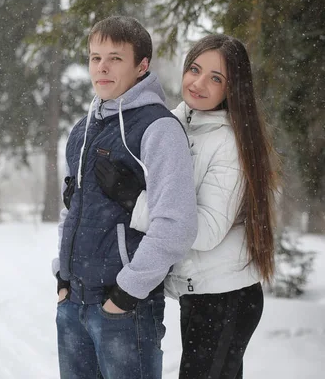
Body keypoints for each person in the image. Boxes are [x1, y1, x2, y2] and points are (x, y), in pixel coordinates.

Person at [101, 34, 278, 378]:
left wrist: (132, 201)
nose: (198, 83)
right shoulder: (172, 123)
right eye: (194, 69)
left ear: (232, 89)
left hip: (226, 296)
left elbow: (207, 230)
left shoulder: (229, 142)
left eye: (216, 78)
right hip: (199, 294)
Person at [52, 16, 198, 379]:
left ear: (142, 65)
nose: (101, 67)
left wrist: (126, 294)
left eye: (115, 58)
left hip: (124, 309)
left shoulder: (157, 128)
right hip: (73, 304)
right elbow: (70, 208)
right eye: (94, 57)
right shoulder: (82, 130)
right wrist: (61, 275)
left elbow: (176, 225)